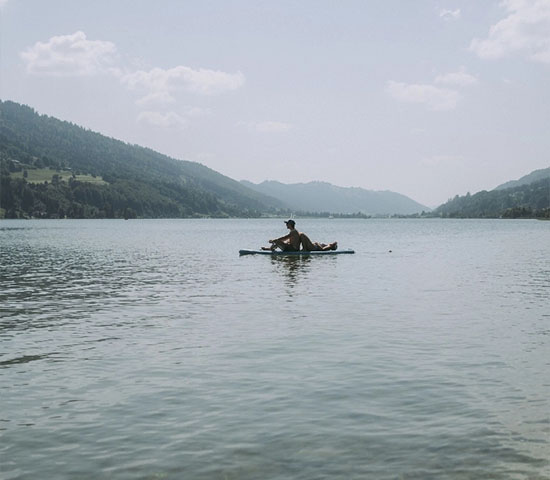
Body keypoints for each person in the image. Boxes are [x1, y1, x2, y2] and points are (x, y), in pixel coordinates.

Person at [262, 220, 337, 251]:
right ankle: (270, 248)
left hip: (293, 249)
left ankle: (270, 249)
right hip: (291, 247)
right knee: (278, 242)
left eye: (287, 224)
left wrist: (273, 240)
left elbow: (284, 238)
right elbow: (288, 240)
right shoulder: (294, 232)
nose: (286, 225)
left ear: (290, 225)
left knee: (277, 241)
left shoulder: (293, 232)